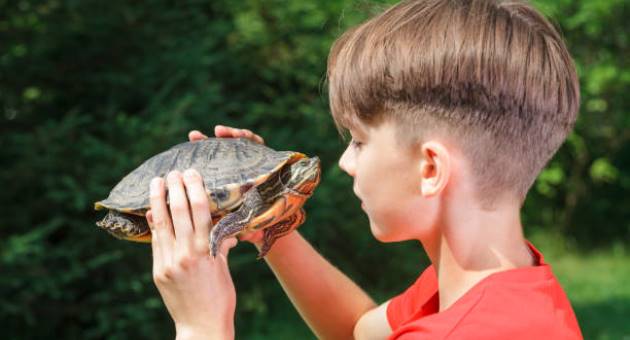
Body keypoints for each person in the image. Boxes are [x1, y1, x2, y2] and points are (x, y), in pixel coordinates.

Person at [145, 0, 583, 338]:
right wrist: (268, 221)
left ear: (430, 168)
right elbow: (358, 331)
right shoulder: (491, 291)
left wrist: (200, 326)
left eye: (359, 140)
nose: (346, 162)